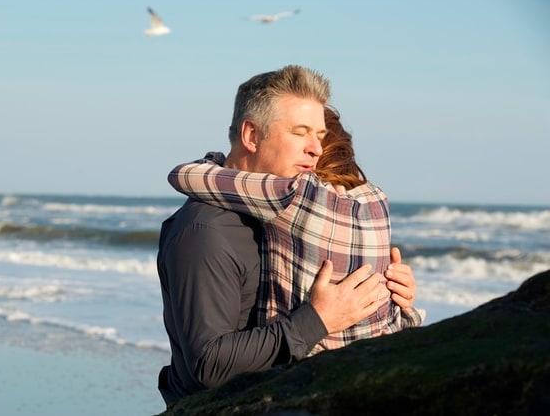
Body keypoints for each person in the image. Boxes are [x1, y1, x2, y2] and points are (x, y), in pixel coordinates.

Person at [157, 65, 418, 406]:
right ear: (251, 136)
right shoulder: (206, 230)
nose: (315, 149)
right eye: (300, 132)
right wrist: (319, 319)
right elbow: (209, 364)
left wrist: (386, 294)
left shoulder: (288, 218)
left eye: (320, 135)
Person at [168, 106, 425, 355]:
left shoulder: (297, 194)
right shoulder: (377, 200)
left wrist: (318, 319)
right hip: (382, 353)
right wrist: (393, 291)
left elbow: (187, 176)